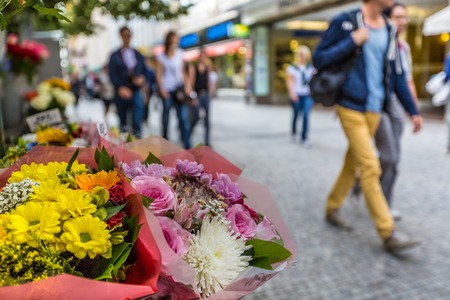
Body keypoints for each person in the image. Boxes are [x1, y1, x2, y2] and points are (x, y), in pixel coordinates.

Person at [313, 0, 423, 252]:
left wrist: (413, 110)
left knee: (353, 164)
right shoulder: (347, 21)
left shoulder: (388, 28)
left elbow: (395, 75)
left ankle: (332, 207)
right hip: (350, 106)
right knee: (371, 166)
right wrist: (352, 41)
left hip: (374, 109)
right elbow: (319, 58)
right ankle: (388, 232)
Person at [352, 2, 420, 220]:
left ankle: (380, 196)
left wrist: (414, 109)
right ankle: (376, 199)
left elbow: (404, 80)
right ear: (385, 19)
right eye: (397, 17)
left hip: (392, 102)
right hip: (376, 104)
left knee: (393, 157)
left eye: (404, 17)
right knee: (389, 155)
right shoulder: (375, 40)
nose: (403, 22)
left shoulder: (403, 48)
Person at [156, 31, 192, 149]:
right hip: (167, 90)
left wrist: (187, 86)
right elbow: (159, 74)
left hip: (179, 89)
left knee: (183, 117)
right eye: (173, 39)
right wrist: (162, 89)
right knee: (166, 118)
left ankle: (187, 144)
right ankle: (165, 142)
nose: (175, 42)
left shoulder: (180, 54)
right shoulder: (162, 57)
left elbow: (184, 72)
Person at [108, 26, 146, 137]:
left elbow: (144, 71)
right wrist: (120, 87)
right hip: (121, 91)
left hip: (135, 90)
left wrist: (141, 79)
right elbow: (112, 74)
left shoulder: (138, 54)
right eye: (125, 35)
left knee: (137, 122)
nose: (127, 38)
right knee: (123, 123)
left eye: (129, 35)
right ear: (121, 36)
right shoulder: (114, 56)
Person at [286, 45, 315, 146]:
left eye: (304, 55)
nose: (302, 57)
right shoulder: (292, 68)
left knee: (306, 115)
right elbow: (289, 82)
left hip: (307, 95)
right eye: (301, 55)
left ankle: (304, 137)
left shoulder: (310, 68)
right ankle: (294, 132)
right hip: (297, 95)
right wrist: (292, 94)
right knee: (296, 115)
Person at [189, 49, 212, 146]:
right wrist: (193, 96)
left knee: (207, 119)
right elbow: (191, 82)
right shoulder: (194, 67)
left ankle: (207, 141)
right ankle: (188, 134)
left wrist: (210, 93)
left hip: (205, 94)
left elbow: (210, 81)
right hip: (197, 95)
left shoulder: (208, 68)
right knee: (196, 117)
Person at [144, 58, 157, 125]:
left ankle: (145, 118)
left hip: (149, 91)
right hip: (143, 91)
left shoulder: (151, 71)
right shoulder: (142, 71)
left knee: (147, 105)